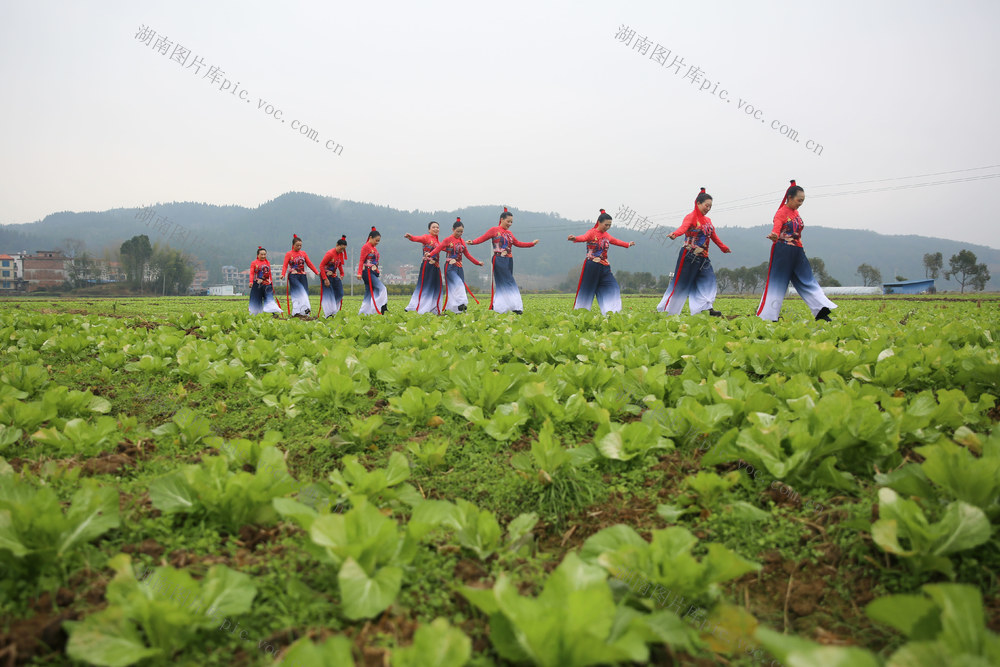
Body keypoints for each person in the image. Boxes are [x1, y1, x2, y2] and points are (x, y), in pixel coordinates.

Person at [756, 180, 837, 322]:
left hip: (798, 251)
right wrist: (775, 235)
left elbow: (797, 233)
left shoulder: (796, 213)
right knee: (777, 283)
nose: (801, 203)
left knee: (807, 279)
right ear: (790, 198)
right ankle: (768, 317)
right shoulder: (781, 213)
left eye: (803, 201)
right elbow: (776, 228)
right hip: (783, 251)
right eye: (799, 200)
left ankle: (821, 311)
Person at [657, 188, 731, 316]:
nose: (708, 208)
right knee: (681, 284)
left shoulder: (708, 221)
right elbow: (683, 228)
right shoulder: (691, 217)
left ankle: (705, 308)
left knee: (708, 280)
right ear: (698, 203)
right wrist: (675, 234)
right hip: (689, 256)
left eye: (710, 207)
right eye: (706, 205)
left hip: (703, 257)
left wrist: (723, 247)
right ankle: (667, 311)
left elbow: (713, 236)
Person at [467, 207, 539, 314]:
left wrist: (531, 244)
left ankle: (501, 308)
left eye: (511, 222)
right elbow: (483, 238)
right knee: (509, 281)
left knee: (502, 283)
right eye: (508, 221)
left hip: (509, 260)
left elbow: (518, 243)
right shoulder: (494, 230)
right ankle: (516, 307)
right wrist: (472, 242)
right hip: (499, 259)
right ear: (501, 219)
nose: (510, 223)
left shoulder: (509, 234)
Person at [568, 209, 635, 315]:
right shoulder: (592, 232)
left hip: (604, 267)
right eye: (606, 225)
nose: (608, 227)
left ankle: (611, 312)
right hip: (592, 267)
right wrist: (575, 238)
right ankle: (580, 314)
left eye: (610, 225)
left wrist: (628, 244)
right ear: (599, 222)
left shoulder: (606, 235)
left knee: (613, 287)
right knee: (587, 291)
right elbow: (584, 237)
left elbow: (616, 241)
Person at [428, 217, 483, 313]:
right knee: (459, 284)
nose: (460, 234)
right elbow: (438, 248)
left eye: (461, 232)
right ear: (453, 230)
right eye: (458, 231)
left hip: (459, 268)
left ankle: (452, 309)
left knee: (454, 288)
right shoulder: (448, 239)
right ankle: (461, 303)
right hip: (450, 267)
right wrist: (430, 254)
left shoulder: (462, 242)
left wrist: (477, 263)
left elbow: (468, 255)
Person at [403, 221, 443, 314]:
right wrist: (411, 237)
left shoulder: (438, 241)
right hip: (428, 266)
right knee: (425, 287)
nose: (436, 229)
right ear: (429, 229)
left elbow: (443, 247)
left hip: (436, 267)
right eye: (433, 227)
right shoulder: (426, 237)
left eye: (437, 227)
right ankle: (417, 308)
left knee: (437, 287)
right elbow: (418, 238)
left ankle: (434, 309)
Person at [280, 234, 319, 317]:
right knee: (298, 293)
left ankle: (304, 313)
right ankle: (296, 312)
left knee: (305, 293)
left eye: (300, 245)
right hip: (293, 276)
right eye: (297, 245)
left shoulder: (303, 253)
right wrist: (283, 274)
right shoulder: (289, 254)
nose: (299, 247)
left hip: (302, 276)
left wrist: (316, 272)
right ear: (293, 245)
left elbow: (309, 263)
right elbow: (285, 265)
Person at [357, 226, 388, 315]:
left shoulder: (373, 248)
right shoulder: (365, 247)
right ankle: (381, 307)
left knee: (368, 293)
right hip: (367, 272)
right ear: (370, 238)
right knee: (382, 288)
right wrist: (359, 273)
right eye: (376, 240)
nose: (377, 242)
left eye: (379, 241)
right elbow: (361, 260)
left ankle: (363, 312)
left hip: (373, 272)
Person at [319, 236, 348, 318]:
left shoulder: (339, 254)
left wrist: (342, 273)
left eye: (343, 249)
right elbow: (321, 266)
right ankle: (328, 313)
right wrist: (325, 279)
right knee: (329, 294)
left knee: (340, 293)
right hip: (326, 275)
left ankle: (333, 309)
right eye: (341, 248)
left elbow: (339, 265)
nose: (342, 250)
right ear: (337, 245)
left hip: (334, 275)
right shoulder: (330, 253)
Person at [248, 247, 282, 315]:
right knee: (256, 299)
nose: (263, 256)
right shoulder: (254, 263)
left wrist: (271, 282)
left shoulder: (267, 263)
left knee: (269, 298)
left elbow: (269, 274)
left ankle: (273, 313)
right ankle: (255, 314)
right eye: (261, 254)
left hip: (267, 284)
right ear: (258, 255)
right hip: (257, 285)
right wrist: (251, 282)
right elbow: (252, 273)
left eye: (264, 254)